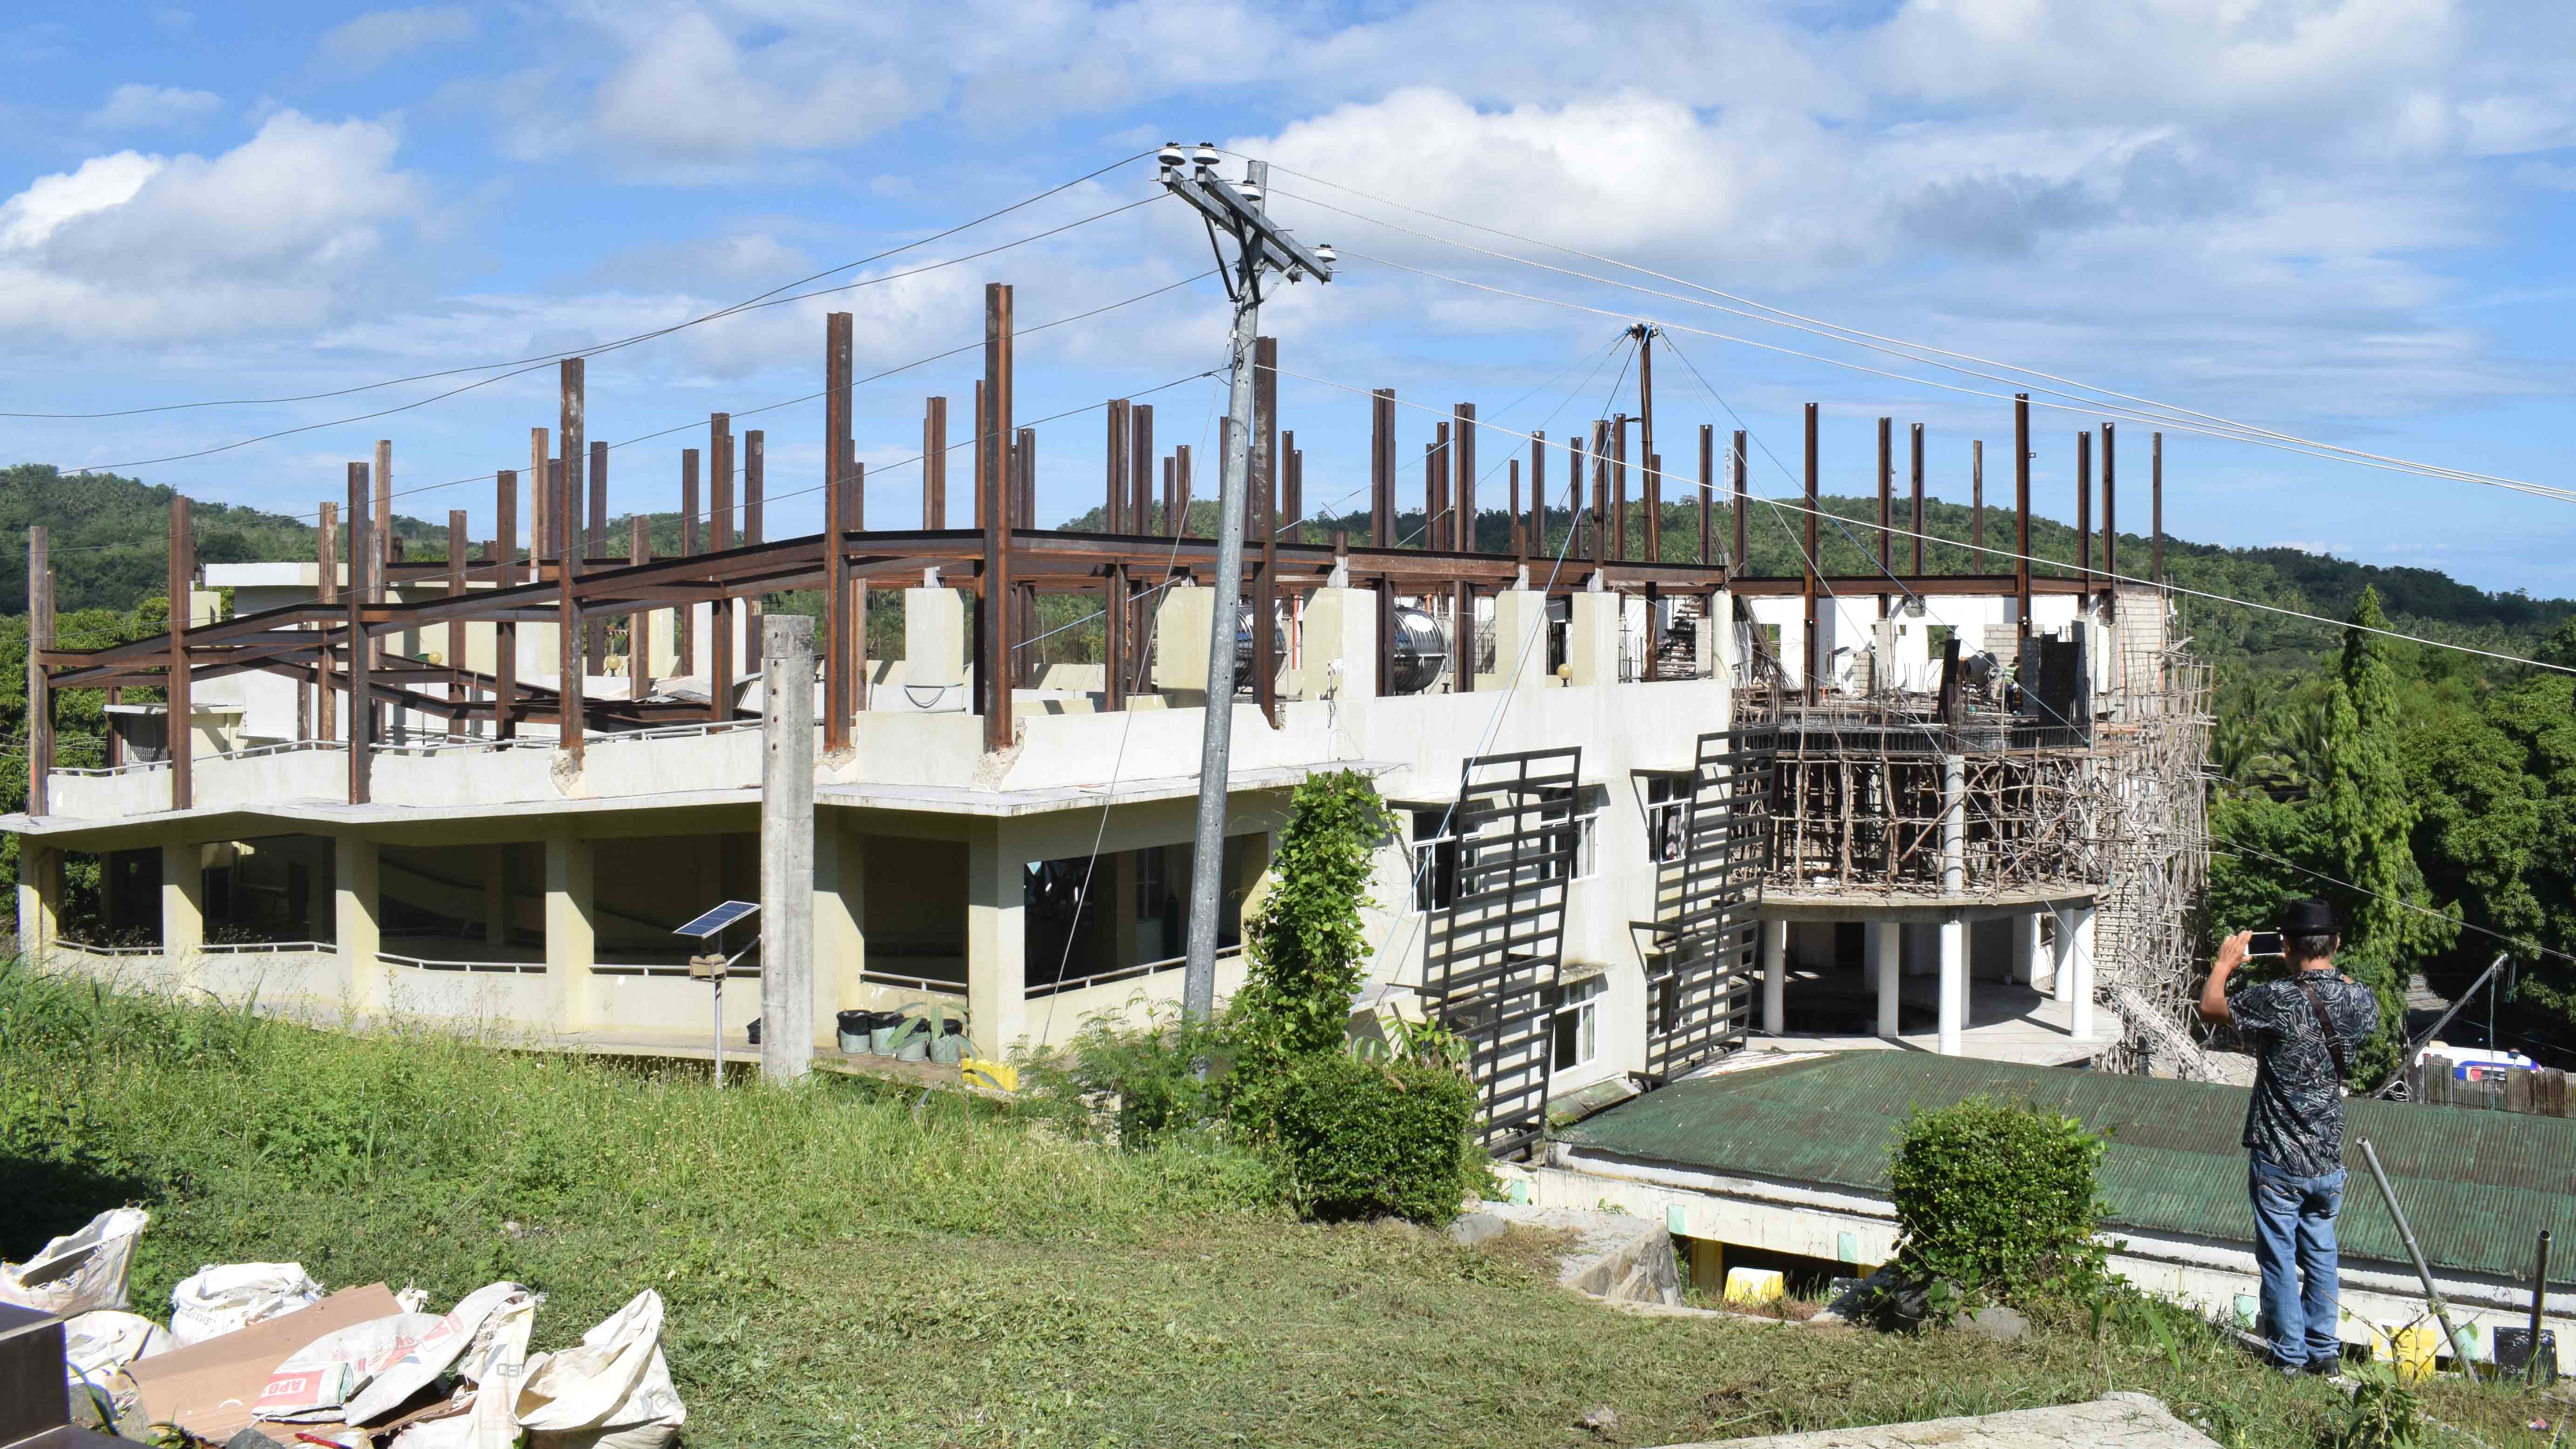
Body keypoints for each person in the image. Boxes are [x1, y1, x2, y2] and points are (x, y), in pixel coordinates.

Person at [2198, 898, 2380, 1377]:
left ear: (2284, 947)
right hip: (2327, 1157)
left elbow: (2210, 1008)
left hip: (2278, 1155)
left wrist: (2223, 965)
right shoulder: (2359, 997)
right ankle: (2324, 1352)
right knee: (2320, 1251)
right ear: (2335, 943)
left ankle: (2289, 1357)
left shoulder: (2276, 997)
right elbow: (2364, 1023)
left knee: (2279, 1257)